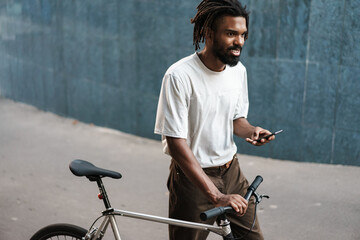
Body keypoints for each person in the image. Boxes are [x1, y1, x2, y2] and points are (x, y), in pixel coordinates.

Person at [154, 0, 275, 239]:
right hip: (193, 179)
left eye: (243, 35)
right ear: (208, 34)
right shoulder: (179, 76)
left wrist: (251, 131)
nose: (239, 42)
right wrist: (215, 195)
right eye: (231, 34)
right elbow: (176, 143)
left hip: (232, 173)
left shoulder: (238, 71)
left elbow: (235, 119)